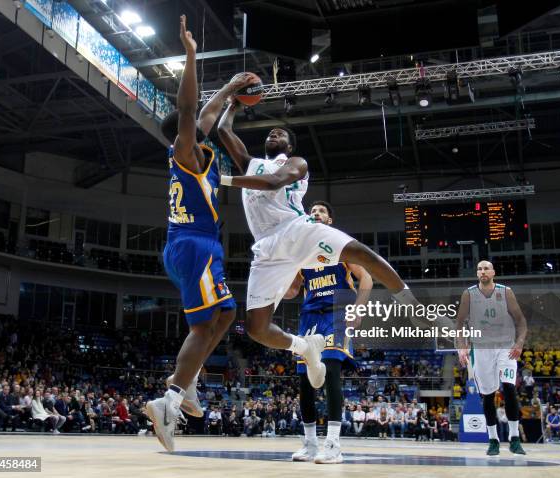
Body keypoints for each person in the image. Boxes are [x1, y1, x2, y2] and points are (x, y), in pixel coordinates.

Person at [217, 77, 430, 404]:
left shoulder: (296, 164)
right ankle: (303, 347)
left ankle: (409, 303)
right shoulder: (251, 164)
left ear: (288, 147)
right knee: (257, 329)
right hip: (267, 248)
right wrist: (232, 102)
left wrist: (223, 178)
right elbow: (223, 133)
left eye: (282, 134)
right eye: (271, 133)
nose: (275, 134)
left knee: (358, 252)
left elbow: (274, 182)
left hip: (297, 230)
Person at [144, 15, 256, 453]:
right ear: (181, 135)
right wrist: (191, 55)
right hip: (193, 244)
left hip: (192, 245)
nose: (200, 128)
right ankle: (170, 398)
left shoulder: (198, 154)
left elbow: (204, 115)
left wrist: (229, 89)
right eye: (191, 128)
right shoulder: (184, 152)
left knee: (226, 314)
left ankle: (184, 384)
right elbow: (191, 110)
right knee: (207, 322)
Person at [285, 201, 372, 464]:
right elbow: (292, 291)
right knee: (305, 382)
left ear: (330, 220)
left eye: (321, 211)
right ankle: (310, 444)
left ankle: (333, 444)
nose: (316, 214)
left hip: (338, 312)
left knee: (332, 370)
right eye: (312, 212)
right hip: (310, 316)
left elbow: (366, 278)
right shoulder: (302, 255)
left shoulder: (341, 246)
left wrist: (359, 310)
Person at [456, 260, 528, 456]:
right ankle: (493, 439)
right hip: (481, 348)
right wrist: (461, 347)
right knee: (487, 395)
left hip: (505, 346)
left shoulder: (506, 292)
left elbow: (521, 321)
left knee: (509, 387)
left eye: (486, 268)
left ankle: (514, 438)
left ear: (493, 272)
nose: (482, 271)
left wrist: (519, 343)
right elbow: (460, 323)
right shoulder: (469, 294)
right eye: (479, 269)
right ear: (476, 273)